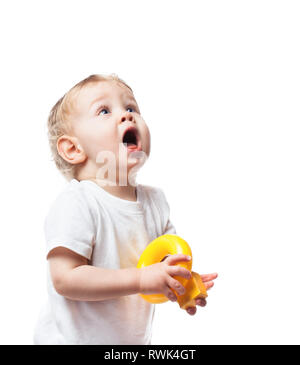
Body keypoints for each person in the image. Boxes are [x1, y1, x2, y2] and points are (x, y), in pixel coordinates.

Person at [34, 74, 218, 345]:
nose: (127, 117)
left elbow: (161, 264)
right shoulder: (78, 202)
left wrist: (181, 283)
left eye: (131, 108)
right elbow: (65, 278)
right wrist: (141, 279)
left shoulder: (156, 202)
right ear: (73, 149)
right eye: (104, 111)